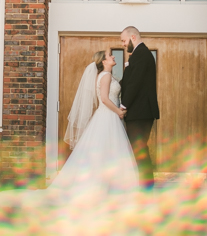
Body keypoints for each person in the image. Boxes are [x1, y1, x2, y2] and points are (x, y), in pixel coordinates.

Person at [52, 49, 139, 196]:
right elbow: (104, 99)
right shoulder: (105, 76)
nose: (112, 56)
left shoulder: (105, 75)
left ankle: (109, 187)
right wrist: (118, 112)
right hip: (108, 117)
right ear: (103, 61)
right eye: (109, 55)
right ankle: (105, 188)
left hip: (107, 117)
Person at [119, 26, 160, 190]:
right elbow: (129, 81)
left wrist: (123, 105)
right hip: (139, 112)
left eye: (124, 40)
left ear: (133, 37)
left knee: (139, 149)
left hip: (140, 112)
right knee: (138, 149)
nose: (123, 44)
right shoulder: (138, 54)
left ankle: (147, 188)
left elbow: (135, 83)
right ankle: (143, 186)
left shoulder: (141, 54)